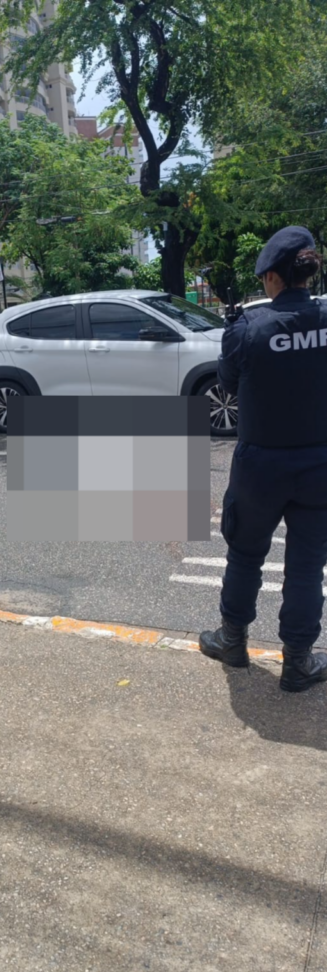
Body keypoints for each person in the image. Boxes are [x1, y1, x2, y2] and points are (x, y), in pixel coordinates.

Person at [199, 226, 327, 693]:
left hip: (261, 465)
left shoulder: (247, 329)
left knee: (246, 553)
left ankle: (232, 641)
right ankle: (298, 661)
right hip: (319, 462)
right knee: (308, 565)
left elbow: (229, 387)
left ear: (272, 277)